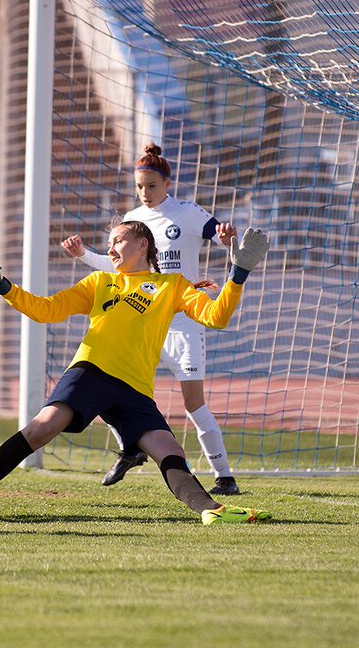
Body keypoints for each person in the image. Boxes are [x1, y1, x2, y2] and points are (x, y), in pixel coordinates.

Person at [0, 220, 272, 525]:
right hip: (91, 371)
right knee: (41, 429)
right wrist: (3, 285)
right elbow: (46, 310)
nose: (109, 249)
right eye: (109, 244)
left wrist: (238, 272)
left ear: (143, 244)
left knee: (169, 449)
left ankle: (211, 511)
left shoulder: (171, 285)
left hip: (135, 389)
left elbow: (217, 316)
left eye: (118, 241)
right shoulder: (100, 281)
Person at [62, 143, 242, 495]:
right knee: (108, 388)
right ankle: (130, 450)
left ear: (167, 183)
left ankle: (224, 476)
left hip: (182, 323)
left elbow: (220, 235)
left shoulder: (188, 214)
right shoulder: (132, 222)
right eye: (140, 186)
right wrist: (84, 255)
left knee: (194, 403)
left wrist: (226, 239)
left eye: (152, 186)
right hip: (140, 322)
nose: (145, 193)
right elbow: (116, 268)